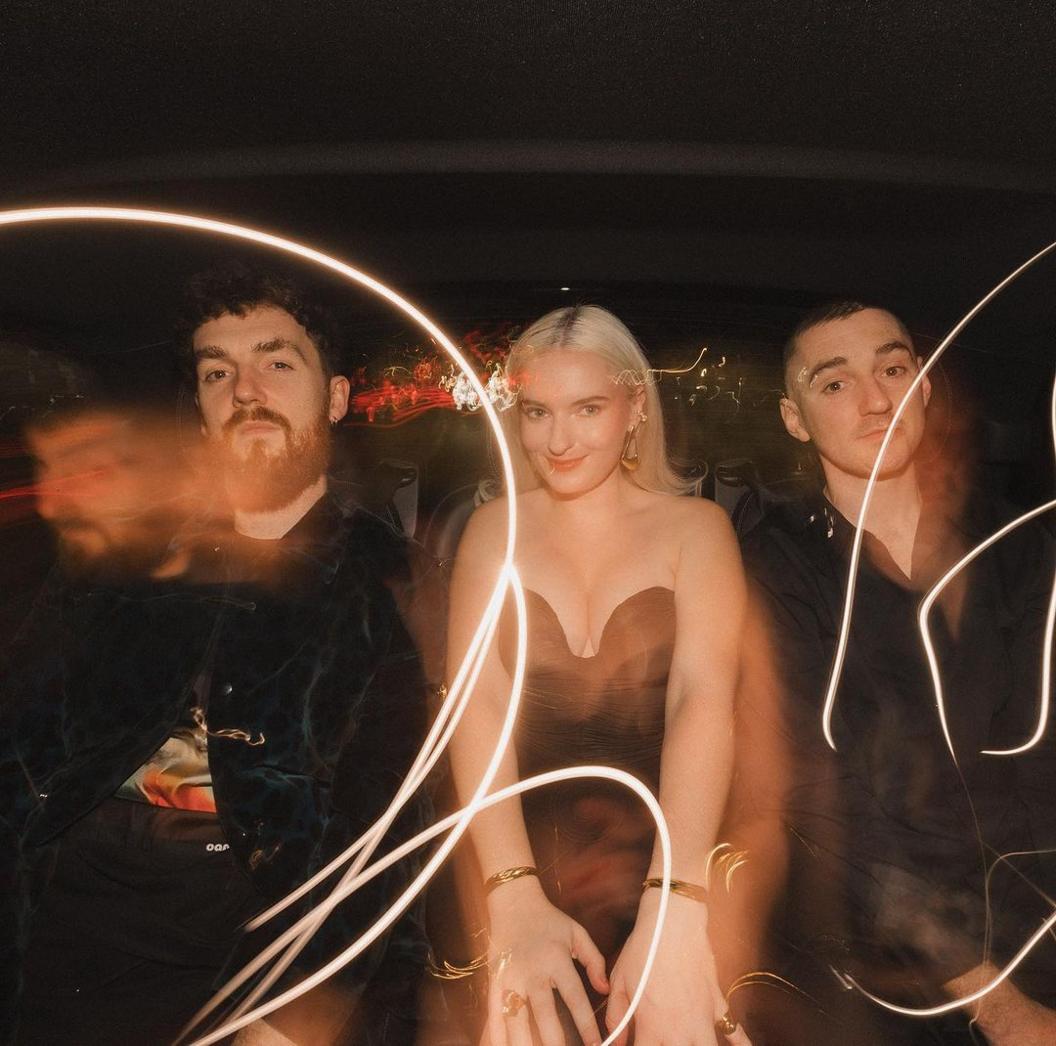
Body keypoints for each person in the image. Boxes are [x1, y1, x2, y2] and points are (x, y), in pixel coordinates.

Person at [2, 263, 437, 1045]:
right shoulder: (119, 561)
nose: (245, 391)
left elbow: (392, 831)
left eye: (276, 362)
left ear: (335, 398)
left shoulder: (396, 580)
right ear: (201, 411)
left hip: (253, 927)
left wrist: (288, 1016)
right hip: (64, 913)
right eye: (217, 372)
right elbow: (17, 738)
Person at [739, 301, 1056, 1044]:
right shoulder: (773, 569)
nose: (877, 399)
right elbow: (830, 809)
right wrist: (1002, 1010)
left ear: (923, 386)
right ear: (794, 418)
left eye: (892, 368)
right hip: (885, 983)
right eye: (836, 383)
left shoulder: (1022, 545)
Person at [443, 306, 751, 1046]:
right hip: (515, 843)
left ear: (636, 407)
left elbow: (701, 699)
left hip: (670, 836)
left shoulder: (697, 529)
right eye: (538, 412)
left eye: (588, 408)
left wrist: (674, 902)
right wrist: (511, 894)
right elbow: (475, 704)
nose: (559, 439)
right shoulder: (494, 530)